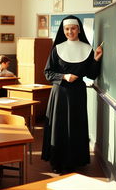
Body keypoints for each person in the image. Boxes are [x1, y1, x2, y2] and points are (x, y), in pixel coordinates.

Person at [41, 15, 103, 174]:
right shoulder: (57, 48)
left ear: (79, 29)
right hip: (59, 93)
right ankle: (57, 161)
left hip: (77, 94)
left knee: (75, 126)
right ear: (63, 30)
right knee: (59, 127)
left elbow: (91, 74)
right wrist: (63, 76)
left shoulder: (87, 49)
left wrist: (96, 60)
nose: (70, 31)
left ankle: (74, 161)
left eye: (73, 28)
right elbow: (47, 73)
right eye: (67, 29)